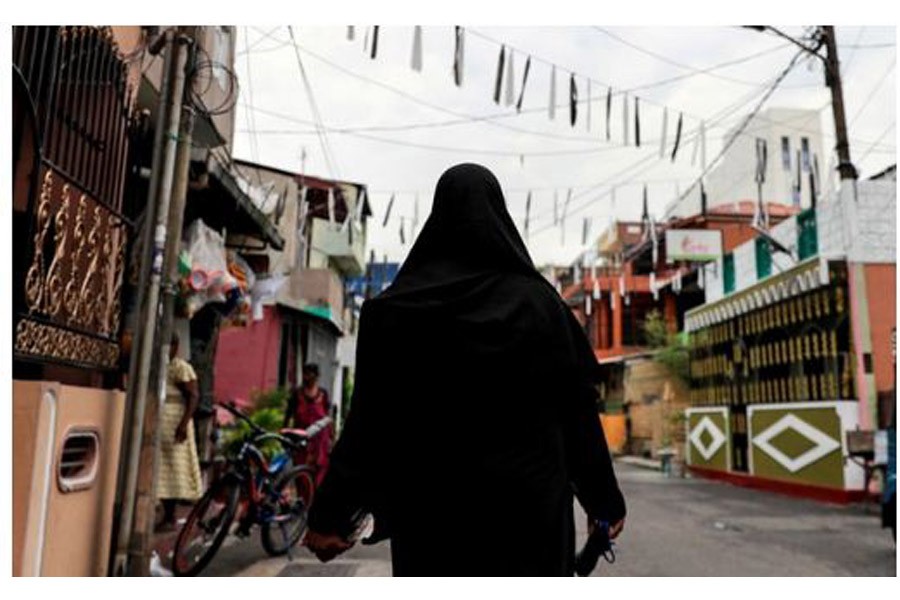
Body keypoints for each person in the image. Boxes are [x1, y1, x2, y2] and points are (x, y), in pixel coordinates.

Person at [304, 163, 626, 575]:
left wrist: (331, 516)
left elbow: (372, 422)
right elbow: (576, 411)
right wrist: (604, 501)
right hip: (531, 521)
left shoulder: (394, 312)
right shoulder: (542, 307)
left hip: (434, 522)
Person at [155, 333, 203, 531]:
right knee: (162, 470)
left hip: (176, 423)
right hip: (161, 423)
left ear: (176, 346)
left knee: (174, 469)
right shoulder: (159, 365)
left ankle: (170, 516)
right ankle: (166, 513)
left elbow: (193, 396)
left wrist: (183, 424)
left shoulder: (180, 367)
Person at [285, 363, 333, 485]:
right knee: (301, 474)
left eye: (309, 374)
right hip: (302, 441)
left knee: (320, 474)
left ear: (316, 376)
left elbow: (328, 417)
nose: (306, 377)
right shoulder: (297, 394)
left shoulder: (323, 394)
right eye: (305, 374)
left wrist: (331, 438)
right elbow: (288, 415)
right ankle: (304, 502)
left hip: (320, 442)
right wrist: (285, 434)